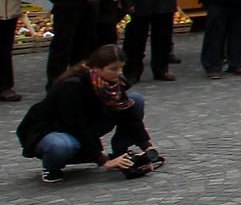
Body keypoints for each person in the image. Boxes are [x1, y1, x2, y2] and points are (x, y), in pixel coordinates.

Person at [17, 46, 162, 183]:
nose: (118, 73)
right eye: (113, 69)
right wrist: (103, 161)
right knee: (62, 145)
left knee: (134, 100)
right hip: (52, 130)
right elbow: (76, 126)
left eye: (120, 68)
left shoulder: (113, 83)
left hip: (85, 123)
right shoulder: (72, 86)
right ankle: (51, 168)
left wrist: (147, 148)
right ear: (97, 68)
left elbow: (129, 116)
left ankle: (120, 153)